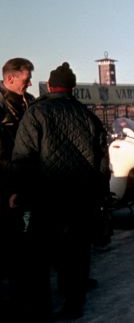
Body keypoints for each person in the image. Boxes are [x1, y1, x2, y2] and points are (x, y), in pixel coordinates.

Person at [10, 62, 109, 320]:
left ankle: (41, 309)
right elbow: (102, 163)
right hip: (81, 198)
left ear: (51, 86)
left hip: (45, 198)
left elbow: (23, 157)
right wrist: (100, 195)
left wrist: (19, 191)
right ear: (72, 88)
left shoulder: (36, 113)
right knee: (76, 253)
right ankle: (74, 305)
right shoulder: (88, 116)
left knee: (40, 254)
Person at [0, 58, 35, 318]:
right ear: (10, 78)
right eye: (26, 79)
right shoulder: (1, 107)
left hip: (30, 181)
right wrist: (11, 187)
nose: (30, 83)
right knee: (13, 244)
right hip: (9, 186)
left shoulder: (29, 102)